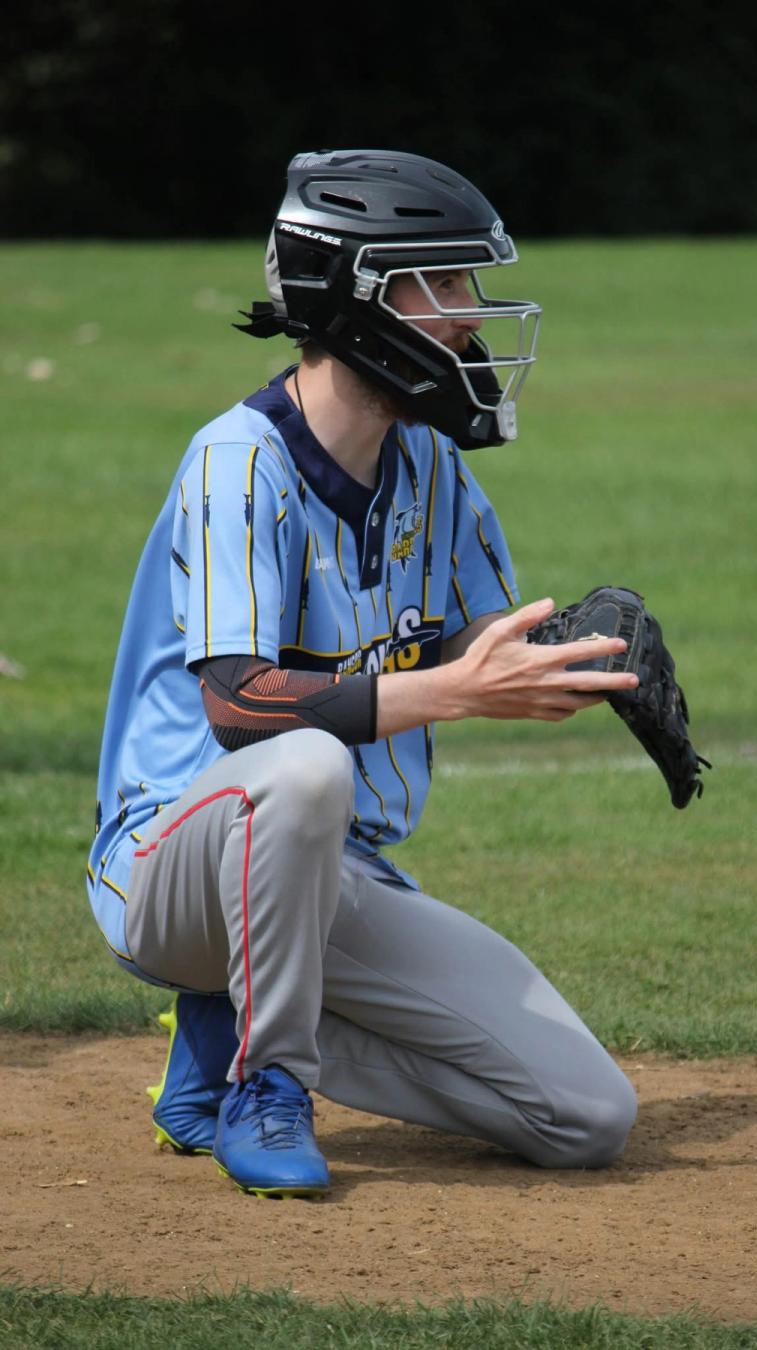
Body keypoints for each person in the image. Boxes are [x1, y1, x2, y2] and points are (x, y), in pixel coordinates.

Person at [87, 149, 640, 1198]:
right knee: (303, 769)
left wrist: (599, 657)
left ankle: (220, 1045)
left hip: (328, 875)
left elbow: (489, 649)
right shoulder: (236, 464)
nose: (474, 317)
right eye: (450, 285)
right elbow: (242, 705)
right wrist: (457, 692)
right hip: (173, 869)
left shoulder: (433, 471)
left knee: (586, 1117)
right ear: (360, 301)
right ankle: (269, 1082)